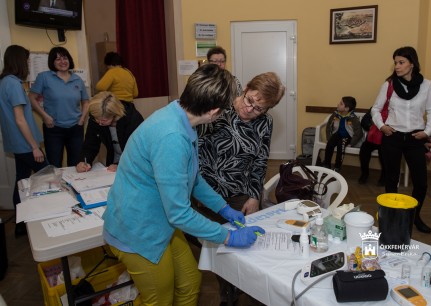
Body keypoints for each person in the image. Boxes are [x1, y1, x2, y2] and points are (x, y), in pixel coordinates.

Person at [102, 64, 265, 305]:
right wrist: (228, 238)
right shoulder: (172, 136)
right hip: (137, 230)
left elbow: (193, 179)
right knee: (159, 299)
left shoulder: (181, 117)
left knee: (189, 282)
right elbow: (179, 213)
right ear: (214, 111)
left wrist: (223, 209)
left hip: (159, 221)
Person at [196, 72, 285, 305]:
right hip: (204, 190)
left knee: (242, 248)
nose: (250, 109)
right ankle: (228, 292)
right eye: (249, 100)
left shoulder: (265, 122)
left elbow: (260, 161)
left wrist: (255, 196)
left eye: (259, 108)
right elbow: (195, 151)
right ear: (245, 88)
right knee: (219, 248)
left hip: (239, 193)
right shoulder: (218, 109)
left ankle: (233, 294)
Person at [371, 46, 431, 234]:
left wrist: (427, 131)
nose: (397, 66)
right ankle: (392, 217)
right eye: (395, 62)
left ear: (412, 63)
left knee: (421, 182)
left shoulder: (427, 85)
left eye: (401, 62)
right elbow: (375, 109)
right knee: (391, 180)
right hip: (392, 137)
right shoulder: (389, 84)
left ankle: (415, 216)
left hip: (415, 138)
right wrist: (382, 126)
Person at [0, 45, 49, 236]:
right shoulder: (13, 84)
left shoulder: (4, 82)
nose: (28, 64)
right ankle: (52, 218)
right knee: (48, 176)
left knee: (20, 181)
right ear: (19, 61)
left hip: (17, 144)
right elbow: (20, 119)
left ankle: (20, 226)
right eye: (27, 60)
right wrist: (35, 147)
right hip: (25, 145)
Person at [29, 47, 89, 168]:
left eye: (65, 58)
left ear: (69, 59)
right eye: (58, 59)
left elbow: (86, 102)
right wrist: (45, 116)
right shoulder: (44, 77)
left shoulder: (77, 79)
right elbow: (31, 97)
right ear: (52, 62)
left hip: (75, 129)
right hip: (53, 129)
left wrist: (82, 119)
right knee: (54, 165)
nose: (62, 61)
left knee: (77, 165)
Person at [75, 91, 144, 173]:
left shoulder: (133, 119)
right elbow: (90, 144)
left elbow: (138, 151)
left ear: (115, 114)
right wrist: (83, 161)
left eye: (104, 120)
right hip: (114, 161)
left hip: (134, 162)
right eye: (97, 120)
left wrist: (121, 165)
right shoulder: (96, 118)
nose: (99, 123)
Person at [322, 97, 363, 172]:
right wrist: (329, 137)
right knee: (330, 143)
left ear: (346, 108)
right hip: (337, 134)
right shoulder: (335, 114)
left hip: (348, 137)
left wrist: (352, 143)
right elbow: (328, 126)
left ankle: (337, 167)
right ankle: (326, 165)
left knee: (341, 145)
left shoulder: (353, 118)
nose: (338, 104)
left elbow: (359, 132)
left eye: (341, 103)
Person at [358, 111, 386, 185]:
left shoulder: (394, 107)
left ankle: (384, 176)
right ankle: (365, 174)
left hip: (386, 139)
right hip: (372, 138)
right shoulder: (375, 107)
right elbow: (364, 120)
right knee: (364, 149)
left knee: (384, 152)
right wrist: (371, 126)